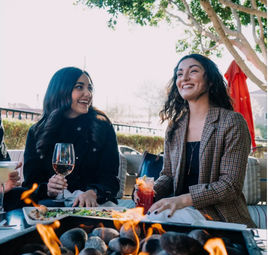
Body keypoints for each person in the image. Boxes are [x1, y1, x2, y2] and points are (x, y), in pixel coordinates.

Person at [136, 54, 256, 228]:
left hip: (220, 217)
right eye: (179, 74)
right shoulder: (175, 127)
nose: (184, 78)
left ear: (210, 81)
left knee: (159, 221)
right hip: (179, 211)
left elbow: (230, 185)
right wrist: (150, 192)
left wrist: (183, 200)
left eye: (193, 71)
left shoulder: (232, 122)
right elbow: (168, 175)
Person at [22, 66, 120, 207]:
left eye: (90, 88)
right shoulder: (37, 132)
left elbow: (111, 179)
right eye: (79, 87)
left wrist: (94, 192)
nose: (88, 94)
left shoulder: (102, 126)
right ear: (61, 91)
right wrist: (47, 189)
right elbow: (30, 184)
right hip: (51, 207)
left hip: (93, 208)